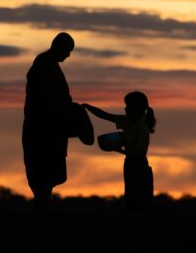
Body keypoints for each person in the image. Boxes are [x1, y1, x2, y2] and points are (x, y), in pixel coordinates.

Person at [22, 32, 76, 213]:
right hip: (43, 131)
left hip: (48, 130)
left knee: (47, 174)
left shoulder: (48, 65)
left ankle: (42, 207)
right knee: (42, 173)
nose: (68, 55)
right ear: (57, 46)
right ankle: (42, 210)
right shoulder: (44, 65)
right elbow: (47, 101)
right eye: (67, 51)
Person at [83, 91, 156, 213]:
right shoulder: (128, 121)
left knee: (140, 201)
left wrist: (118, 150)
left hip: (139, 165)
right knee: (132, 199)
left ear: (135, 108)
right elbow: (106, 116)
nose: (125, 108)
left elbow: (139, 153)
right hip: (130, 163)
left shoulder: (141, 127)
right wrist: (88, 107)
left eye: (128, 106)